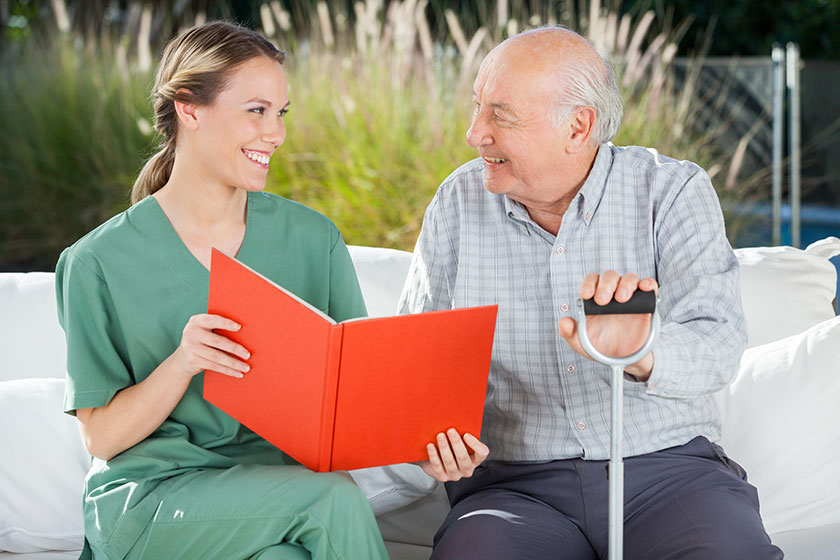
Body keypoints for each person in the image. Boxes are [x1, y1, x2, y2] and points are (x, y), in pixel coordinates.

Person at [398, 27, 784, 559]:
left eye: (499, 115)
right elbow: (418, 356)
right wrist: (431, 436)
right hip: (513, 488)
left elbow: (718, 344)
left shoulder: (671, 191)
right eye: (476, 109)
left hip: (668, 474)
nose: (474, 133)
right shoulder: (457, 202)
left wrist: (640, 351)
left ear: (578, 126)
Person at [55, 21, 392, 560]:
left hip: (274, 498)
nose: (276, 134)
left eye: (280, 113)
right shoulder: (96, 262)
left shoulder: (313, 240)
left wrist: (426, 450)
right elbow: (101, 439)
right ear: (190, 109)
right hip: (153, 502)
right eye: (256, 111)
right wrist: (183, 361)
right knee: (334, 502)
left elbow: (358, 394)